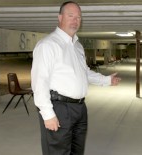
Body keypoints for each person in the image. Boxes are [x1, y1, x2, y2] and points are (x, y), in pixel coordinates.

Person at [31, 1, 121, 155]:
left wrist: (106, 81)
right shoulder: (48, 45)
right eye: (70, 15)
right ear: (60, 17)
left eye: (78, 17)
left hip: (79, 108)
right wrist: (48, 114)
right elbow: (40, 81)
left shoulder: (77, 46)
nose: (75, 20)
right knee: (57, 151)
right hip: (59, 108)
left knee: (77, 151)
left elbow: (84, 72)